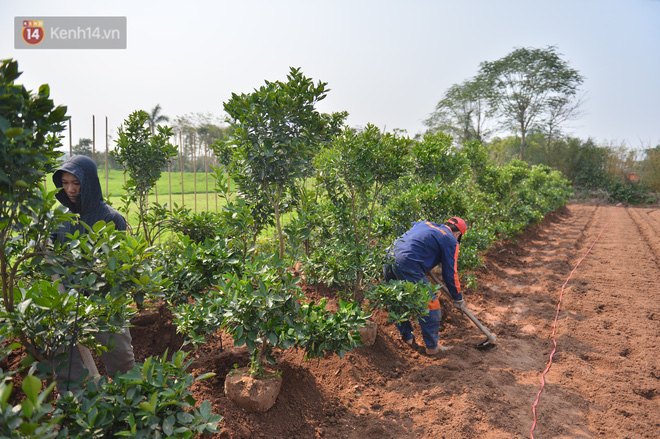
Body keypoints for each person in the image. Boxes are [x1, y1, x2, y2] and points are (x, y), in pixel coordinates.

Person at [52, 154, 135, 392]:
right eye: (65, 183)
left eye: (75, 183)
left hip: (105, 301)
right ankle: (71, 406)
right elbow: (52, 258)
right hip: (68, 302)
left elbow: (117, 265)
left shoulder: (111, 218)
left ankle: (128, 399)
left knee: (120, 356)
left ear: (88, 183)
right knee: (66, 362)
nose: (70, 189)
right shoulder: (59, 218)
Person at [383, 217, 467, 355]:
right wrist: (458, 298)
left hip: (389, 257)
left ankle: (407, 338)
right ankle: (432, 347)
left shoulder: (425, 224)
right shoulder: (451, 240)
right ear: (458, 234)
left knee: (397, 298)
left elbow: (416, 243)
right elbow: (450, 273)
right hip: (407, 262)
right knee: (431, 303)